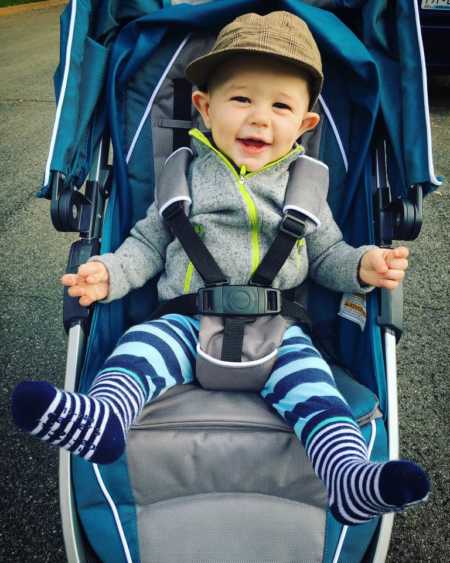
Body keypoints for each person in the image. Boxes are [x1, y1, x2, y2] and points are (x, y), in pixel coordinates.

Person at [12, 11, 429, 526]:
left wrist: (364, 266)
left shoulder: (306, 188)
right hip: (186, 323)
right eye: (241, 99)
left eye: (280, 106)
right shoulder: (180, 174)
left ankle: (346, 475)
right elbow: (144, 244)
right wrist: (108, 273)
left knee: (316, 389)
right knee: (138, 351)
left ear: (305, 124)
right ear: (204, 108)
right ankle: (104, 419)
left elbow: (326, 257)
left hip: (279, 333)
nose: (259, 118)